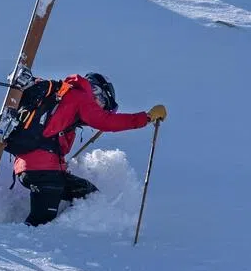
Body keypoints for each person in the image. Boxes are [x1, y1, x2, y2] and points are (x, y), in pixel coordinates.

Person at [14, 73, 165, 226]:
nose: (100, 106)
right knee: (39, 224)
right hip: (43, 171)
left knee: (89, 195)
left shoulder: (65, 96)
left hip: (37, 169)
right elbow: (105, 121)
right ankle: (26, 242)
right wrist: (146, 118)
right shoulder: (80, 97)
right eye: (102, 101)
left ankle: (68, 233)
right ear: (96, 91)